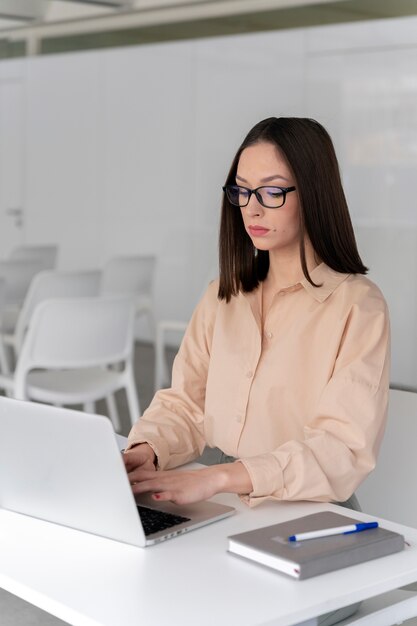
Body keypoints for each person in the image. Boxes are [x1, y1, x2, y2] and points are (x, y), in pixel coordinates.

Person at [123, 117, 390, 511]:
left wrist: (218, 477)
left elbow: (342, 449)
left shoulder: (358, 306)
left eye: (272, 191)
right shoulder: (221, 296)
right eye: (243, 191)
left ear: (315, 192)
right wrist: (148, 450)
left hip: (309, 508)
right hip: (218, 496)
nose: (253, 208)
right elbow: (186, 404)